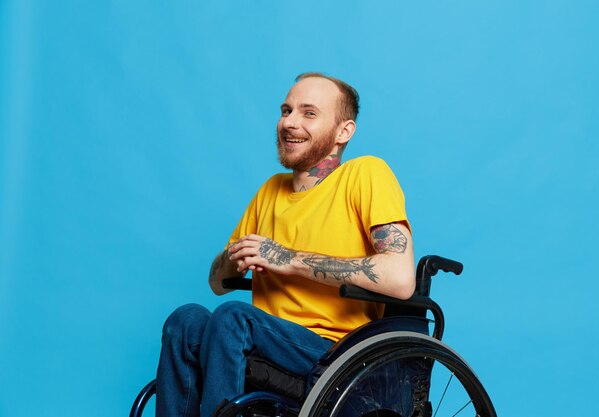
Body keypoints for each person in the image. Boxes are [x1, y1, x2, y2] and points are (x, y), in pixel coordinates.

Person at [155, 73, 416, 417]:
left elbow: (401, 278)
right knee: (186, 319)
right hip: (260, 338)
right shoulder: (270, 191)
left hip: (334, 350)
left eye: (309, 113)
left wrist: (288, 259)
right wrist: (235, 258)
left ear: (344, 132)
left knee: (234, 317)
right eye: (286, 110)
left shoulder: (365, 174)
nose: (289, 123)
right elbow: (217, 284)